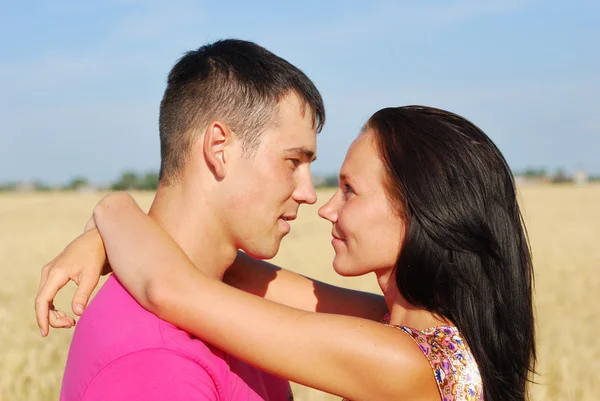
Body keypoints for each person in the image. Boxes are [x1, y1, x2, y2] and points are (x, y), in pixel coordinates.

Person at [37, 106, 536, 400]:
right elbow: (223, 268)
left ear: (418, 212)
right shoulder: (411, 329)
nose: (325, 207)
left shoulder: (403, 361)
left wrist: (112, 206)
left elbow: (171, 288)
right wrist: (103, 240)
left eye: (350, 190)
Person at [38, 38, 329, 401]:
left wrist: (111, 215)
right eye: (293, 162)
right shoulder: (155, 362)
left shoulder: (236, 305)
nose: (309, 193)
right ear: (219, 148)